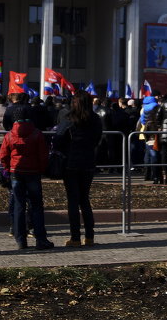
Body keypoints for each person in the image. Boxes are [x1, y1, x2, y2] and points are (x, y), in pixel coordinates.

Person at [0, 108, 55, 251]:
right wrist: (41, 169)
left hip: (16, 171)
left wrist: (7, 168)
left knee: (18, 205)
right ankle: (40, 239)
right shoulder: (37, 133)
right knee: (36, 206)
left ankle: (20, 239)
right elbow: (43, 155)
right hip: (33, 172)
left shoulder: (10, 135)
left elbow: (3, 155)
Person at [53, 90, 103, 247]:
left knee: (73, 201)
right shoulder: (95, 119)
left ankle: (75, 237)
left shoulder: (69, 118)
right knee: (85, 200)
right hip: (88, 162)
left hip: (71, 163)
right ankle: (89, 237)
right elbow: (97, 140)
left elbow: (58, 139)